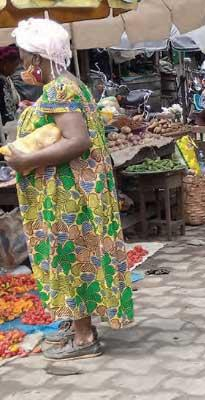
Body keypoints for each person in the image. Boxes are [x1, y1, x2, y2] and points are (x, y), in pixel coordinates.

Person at [4, 18, 133, 360]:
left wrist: (26, 162)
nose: (21, 65)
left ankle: (84, 337)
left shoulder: (60, 89)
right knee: (78, 257)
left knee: (70, 260)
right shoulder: (66, 85)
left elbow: (78, 140)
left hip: (67, 195)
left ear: (36, 58)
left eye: (22, 56)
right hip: (70, 192)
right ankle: (77, 323)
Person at [0, 46, 20, 125]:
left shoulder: (6, 78)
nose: (15, 70)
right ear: (5, 64)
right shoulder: (1, 82)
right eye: (14, 65)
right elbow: (6, 111)